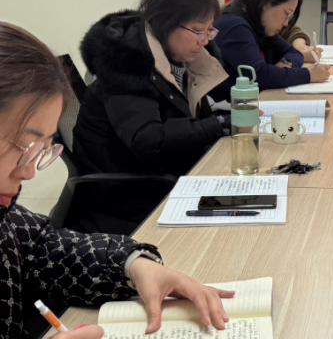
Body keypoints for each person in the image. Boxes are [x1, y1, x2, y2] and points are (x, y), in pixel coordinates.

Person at [0, 22, 232, 339]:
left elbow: (43, 249)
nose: (28, 173)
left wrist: (133, 265)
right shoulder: (130, 76)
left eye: (43, 148)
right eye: (25, 147)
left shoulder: (6, 217)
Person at [74, 0, 230, 178]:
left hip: (167, 168)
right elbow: (146, 139)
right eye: (198, 31)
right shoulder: (128, 63)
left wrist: (224, 122)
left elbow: (198, 119)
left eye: (209, 31)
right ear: (166, 24)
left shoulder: (180, 60)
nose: (205, 41)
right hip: (127, 184)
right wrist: (218, 124)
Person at [214, 0, 330, 94]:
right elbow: (260, 76)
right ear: (266, 3)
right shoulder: (234, 26)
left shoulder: (260, 25)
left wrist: (285, 63)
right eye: (286, 14)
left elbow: (295, 53)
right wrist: (308, 74)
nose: (286, 23)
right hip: (230, 105)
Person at [227, 0, 323, 64]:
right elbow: (261, 71)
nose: (286, 23)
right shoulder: (235, 24)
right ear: (265, 1)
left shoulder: (263, 26)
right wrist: (307, 71)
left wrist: (295, 53)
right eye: (286, 14)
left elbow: (293, 47)